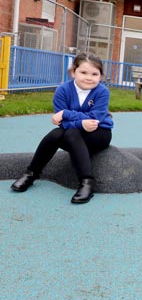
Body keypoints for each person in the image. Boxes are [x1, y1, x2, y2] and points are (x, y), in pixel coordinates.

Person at [10, 52, 113, 204]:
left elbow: (94, 119)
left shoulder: (102, 92)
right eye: (83, 72)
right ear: (73, 72)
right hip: (72, 134)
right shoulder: (63, 90)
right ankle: (31, 174)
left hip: (98, 134)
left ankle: (87, 183)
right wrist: (78, 122)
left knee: (70, 132)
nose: (89, 77)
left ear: (101, 76)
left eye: (94, 74)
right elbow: (61, 123)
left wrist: (65, 113)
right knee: (55, 135)